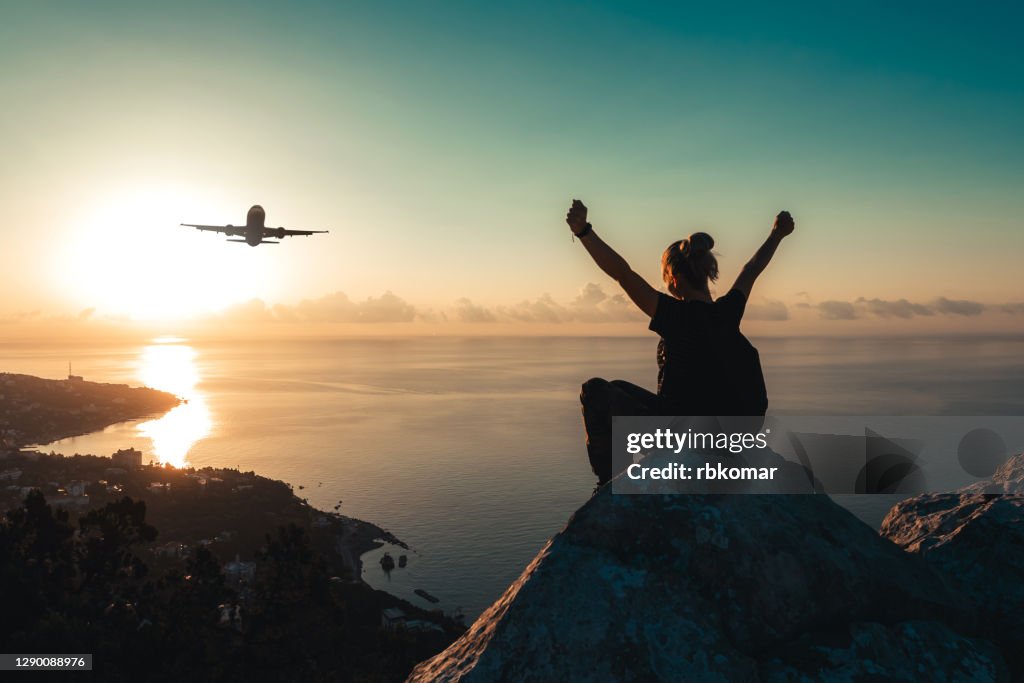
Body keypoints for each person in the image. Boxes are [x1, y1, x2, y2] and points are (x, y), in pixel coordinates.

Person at [565, 199, 795, 486]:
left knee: (596, 391)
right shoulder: (728, 311)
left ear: (673, 278)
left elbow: (622, 274)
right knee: (620, 389)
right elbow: (752, 268)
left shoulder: (674, 315)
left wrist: (584, 231)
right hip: (733, 440)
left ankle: (611, 487)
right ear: (706, 274)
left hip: (687, 440)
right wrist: (777, 234)